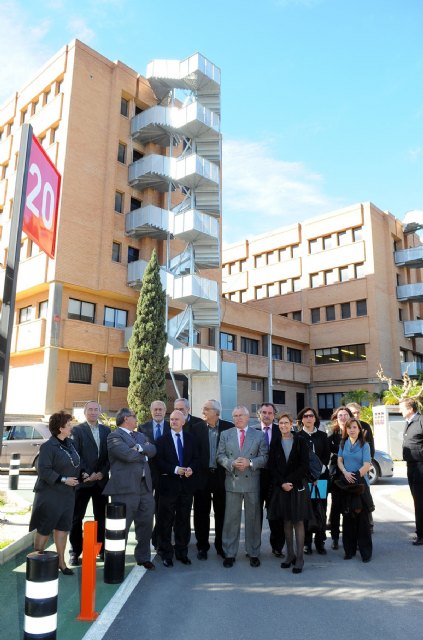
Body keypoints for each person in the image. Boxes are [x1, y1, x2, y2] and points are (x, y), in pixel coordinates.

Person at [29, 411, 81, 575]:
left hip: (67, 494)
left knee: (63, 528)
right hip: (50, 494)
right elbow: (43, 470)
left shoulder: (70, 444)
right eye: (69, 425)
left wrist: (83, 473)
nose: (71, 427)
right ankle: (37, 562)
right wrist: (64, 479)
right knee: (45, 528)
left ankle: (61, 563)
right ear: (60, 428)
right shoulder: (48, 446)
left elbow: (76, 463)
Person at [103, 408, 156, 570]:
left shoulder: (139, 435)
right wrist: (143, 452)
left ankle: (143, 557)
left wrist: (139, 449)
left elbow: (153, 450)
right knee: (122, 527)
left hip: (145, 487)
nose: (136, 419)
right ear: (126, 419)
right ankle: (116, 561)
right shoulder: (114, 436)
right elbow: (126, 455)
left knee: (146, 523)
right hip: (125, 489)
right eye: (134, 416)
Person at [216, 405, 268, 568]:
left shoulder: (258, 435)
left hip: (252, 481)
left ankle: (253, 552)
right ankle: (229, 553)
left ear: (248, 417)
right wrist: (231, 463)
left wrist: (250, 462)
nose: (237, 418)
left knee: (253, 519)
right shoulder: (225, 434)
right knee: (231, 519)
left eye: (240, 415)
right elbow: (220, 456)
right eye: (235, 415)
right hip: (232, 481)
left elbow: (265, 457)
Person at [268, 413, 312, 574]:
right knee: (286, 521)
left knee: (298, 522)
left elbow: (304, 465)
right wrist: (282, 483)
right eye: (281, 423)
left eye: (286, 423)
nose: (283, 426)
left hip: (296, 486)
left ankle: (300, 558)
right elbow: (271, 466)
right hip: (282, 487)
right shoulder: (275, 442)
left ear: (291, 424)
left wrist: (290, 481)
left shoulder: (300, 440)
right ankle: (290, 554)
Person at [155, 410, 199, 567]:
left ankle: (182, 552)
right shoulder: (161, 440)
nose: (173, 421)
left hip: (186, 487)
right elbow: (158, 462)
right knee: (165, 521)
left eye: (176, 419)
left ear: (184, 421)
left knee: (183, 521)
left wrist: (191, 468)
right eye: (171, 419)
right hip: (168, 487)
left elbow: (196, 458)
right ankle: (166, 553)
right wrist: (175, 469)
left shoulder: (191, 439)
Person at [69, 401, 110, 565]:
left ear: (100, 412)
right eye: (90, 410)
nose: (93, 412)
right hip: (83, 481)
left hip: (101, 481)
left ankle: (100, 549)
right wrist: (88, 473)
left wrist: (102, 473)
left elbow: (109, 456)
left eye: (96, 410)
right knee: (76, 518)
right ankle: (75, 552)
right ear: (85, 412)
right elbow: (75, 453)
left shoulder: (106, 430)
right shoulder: (77, 430)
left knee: (101, 517)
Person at [193, 399, 233, 560]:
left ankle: (220, 546)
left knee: (221, 513)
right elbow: (194, 453)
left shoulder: (228, 427)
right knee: (201, 513)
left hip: (221, 476)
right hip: (202, 477)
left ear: (216, 412)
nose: (203, 411)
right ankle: (202, 546)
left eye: (206, 409)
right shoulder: (196, 429)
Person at [252, 402, 285, 557]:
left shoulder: (281, 431)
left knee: (276, 515)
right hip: (256, 477)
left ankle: (277, 546)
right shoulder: (252, 431)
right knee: (255, 514)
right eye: (264, 412)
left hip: (275, 479)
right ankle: (254, 547)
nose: (266, 415)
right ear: (259, 414)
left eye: (270, 413)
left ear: (274, 415)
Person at [337, 417, 372, 562]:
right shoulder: (343, 443)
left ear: (359, 429)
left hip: (360, 484)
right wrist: (345, 472)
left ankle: (365, 553)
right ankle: (349, 550)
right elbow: (339, 459)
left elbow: (367, 464)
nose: (352, 430)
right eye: (349, 427)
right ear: (346, 429)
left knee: (362, 519)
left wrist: (356, 475)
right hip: (346, 484)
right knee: (348, 518)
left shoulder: (365, 445)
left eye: (354, 427)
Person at [297, 406, 330, 555]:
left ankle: (320, 541)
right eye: (305, 416)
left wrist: (318, 474)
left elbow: (326, 456)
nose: (308, 418)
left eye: (311, 416)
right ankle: (307, 542)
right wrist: (310, 476)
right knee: (306, 511)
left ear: (315, 418)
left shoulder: (323, 436)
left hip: (321, 480)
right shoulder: (298, 436)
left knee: (320, 510)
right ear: (301, 419)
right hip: (305, 480)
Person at [138, 399, 170, 548]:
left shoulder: (172, 426)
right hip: (148, 474)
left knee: (162, 508)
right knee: (146, 508)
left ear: (165, 411)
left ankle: (159, 538)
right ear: (151, 411)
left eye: (160, 409)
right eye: (155, 409)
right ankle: (145, 537)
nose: (158, 412)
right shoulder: (142, 428)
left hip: (166, 474)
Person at [346, 402, 376, 532]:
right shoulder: (344, 428)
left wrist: (367, 465)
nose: (355, 415)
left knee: (365, 495)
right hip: (347, 472)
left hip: (363, 469)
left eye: (357, 412)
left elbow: (371, 448)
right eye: (353, 413)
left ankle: (368, 523)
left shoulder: (365, 426)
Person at [327, 406, 353, 550]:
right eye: (340, 416)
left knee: (350, 507)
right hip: (337, 476)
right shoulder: (332, 434)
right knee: (336, 508)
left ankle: (350, 537)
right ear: (336, 419)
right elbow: (327, 454)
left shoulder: (354, 432)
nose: (343, 418)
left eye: (345, 415)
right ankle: (335, 537)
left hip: (352, 475)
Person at [400, 398, 423, 545]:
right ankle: (420, 532)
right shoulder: (409, 422)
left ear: (410, 409)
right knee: (417, 501)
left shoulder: (421, 420)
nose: (399, 410)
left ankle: (421, 535)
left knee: (420, 501)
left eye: (402, 408)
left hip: (421, 466)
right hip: (411, 466)